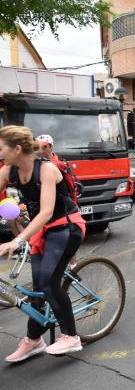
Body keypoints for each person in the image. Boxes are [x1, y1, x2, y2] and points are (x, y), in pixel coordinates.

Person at [0, 126, 87, 361]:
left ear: (16, 148)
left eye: (1, 148)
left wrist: (17, 240)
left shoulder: (47, 169)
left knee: (49, 280)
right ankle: (34, 339)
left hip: (66, 227)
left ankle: (71, 336)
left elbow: (47, 212)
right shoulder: (9, 170)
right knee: (39, 287)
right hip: (43, 232)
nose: (0, 154)